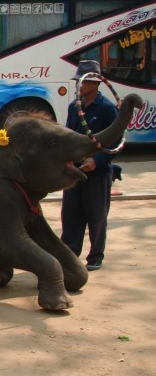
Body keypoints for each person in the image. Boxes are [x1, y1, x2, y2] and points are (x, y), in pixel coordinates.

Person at [61, 59, 119, 271]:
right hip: (75, 171)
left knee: (96, 216)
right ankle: (69, 253)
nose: (78, 86)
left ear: (94, 83)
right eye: (78, 82)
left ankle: (95, 256)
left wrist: (97, 161)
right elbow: (69, 136)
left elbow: (116, 142)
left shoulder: (107, 109)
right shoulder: (73, 108)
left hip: (97, 173)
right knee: (71, 214)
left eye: (82, 82)